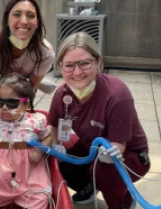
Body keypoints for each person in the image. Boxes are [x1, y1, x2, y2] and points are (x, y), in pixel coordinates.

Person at [48, 32, 151, 209]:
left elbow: (119, 145)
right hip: (91, 147)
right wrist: (55, 145)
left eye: (85, 63)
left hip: (130, 155)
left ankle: (123, 202)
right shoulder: (62, 94)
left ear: (97, 61)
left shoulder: (117, 96)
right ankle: (87, 186)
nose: (77, 72)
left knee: (104, 172)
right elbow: (53, 125)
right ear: (60, 67)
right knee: (58, 159)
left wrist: (109, 154)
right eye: (69, 65)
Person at [0, 73, 53, 209]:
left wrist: (39, 149)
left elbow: (49, 136)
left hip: (27, 171)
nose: (4, 107)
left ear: (26, 103)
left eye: (12, 103)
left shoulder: (35, 121)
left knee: (40, 196)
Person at [0, 0, 56, 106]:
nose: (24, 21)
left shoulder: (45, 53)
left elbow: (30, 87)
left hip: (26, 83)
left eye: (31, 15)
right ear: (7, 20)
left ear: (37, 22)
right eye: (17, 14)